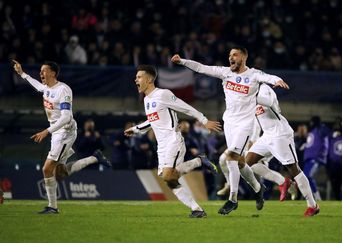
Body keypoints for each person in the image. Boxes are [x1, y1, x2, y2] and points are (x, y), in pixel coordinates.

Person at [171, 46, 289, 215]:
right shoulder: (225, 72)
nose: (231, 58)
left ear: (244, 57)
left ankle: (232, 199)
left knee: (230, 158)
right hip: (230, 123)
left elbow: (268, 77)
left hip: (245, 125)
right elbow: (202, 68)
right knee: (240, 162)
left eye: (235, 55)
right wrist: (182, 61)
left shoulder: (253, 74)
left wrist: (277, 80)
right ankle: (257, 188)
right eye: (229, 55)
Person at [12, 60, 111, 214]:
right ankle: (94, 158)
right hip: (57, 132)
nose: (41, 73)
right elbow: (36, 85)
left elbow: (66, 117)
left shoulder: (63, 90)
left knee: (46, 169)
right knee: (60, 173)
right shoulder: (46, 88)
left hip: (65, 132)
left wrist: (46, 131)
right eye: (40, 71)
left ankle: (52, 207)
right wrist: (21, 73)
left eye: (44, 71)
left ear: (53, 73)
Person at [124, 65, 221, 218]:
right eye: (136, 77)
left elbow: (185, 107)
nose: (136, 80)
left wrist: (204, 120)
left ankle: (198, 162)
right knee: (168, 180)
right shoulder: (147, 100)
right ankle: (197, 209)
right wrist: (136, 129)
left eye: (139, 77)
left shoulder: (163, 94)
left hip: (172, 140)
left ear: (149, 79)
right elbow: (152, 121)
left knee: (169, 176)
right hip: (161, 146)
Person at [244, 84, 319, 216]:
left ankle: (312, 205)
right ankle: (282, 181)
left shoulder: (264, 89)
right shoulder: (251, 95)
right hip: (266, 136)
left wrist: (251, 95)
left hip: (280, 134)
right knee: (246, 163)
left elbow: (269, 102)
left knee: (294, 169)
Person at [303, 116, 330, 200]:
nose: (310, 124)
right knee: (304, 178)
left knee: (308, 176)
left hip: (316, 158)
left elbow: (327, 132)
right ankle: (308, 197)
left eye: (312, 122)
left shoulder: (321, 129)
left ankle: (317, 197)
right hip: (308, 159)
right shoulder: (313, 131)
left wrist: (321, 126)